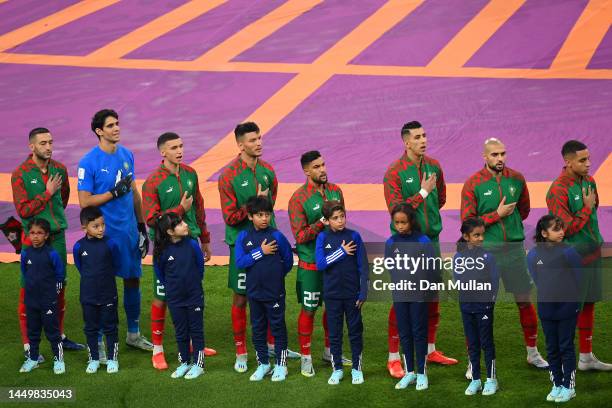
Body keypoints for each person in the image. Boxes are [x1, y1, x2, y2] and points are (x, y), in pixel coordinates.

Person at [461, 137, 548, 375]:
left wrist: (511, 227)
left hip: (515, 252)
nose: (500, 159)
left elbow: (524, 210)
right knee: (481, 306)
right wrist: (496, 215)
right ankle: (473, 361)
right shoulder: (473, 184)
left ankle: (533, 353)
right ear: (485, 157)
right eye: (494, 155)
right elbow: (467, 222)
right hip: (485, 253)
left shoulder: (517, 179)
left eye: (503, 154)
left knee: (524, 300)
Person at [218, 121, 298, 373]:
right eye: (253, 140)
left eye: (260, 138)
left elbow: (270, 205)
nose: (259, 143)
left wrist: (263, 204)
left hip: (269, 242)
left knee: (273, 294)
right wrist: (254, 206)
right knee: (242, 297)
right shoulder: (228, 176)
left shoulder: (268, 171)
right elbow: (230, 218)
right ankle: (241, 351)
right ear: (240, 145)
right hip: (242, 244)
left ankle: (273, 346)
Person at [383, 121, 456, 378]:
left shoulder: (434, 165)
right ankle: (393, 358)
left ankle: (429, 349)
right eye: (417, 137)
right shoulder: (394, 172)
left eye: (424, 135)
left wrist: (429, 203)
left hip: (432, 243)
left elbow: (442, 197)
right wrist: (423, 193)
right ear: (406, 142)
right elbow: (397, 211)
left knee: (432, 297)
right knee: (403, 299)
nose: (423, 140)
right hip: (406, 246)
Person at [77, 109, 152, 357]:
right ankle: (98, 340)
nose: (116, 128)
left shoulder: (126, 154)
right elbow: (85, 201)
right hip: (103, 236)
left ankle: (133, 334)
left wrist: (141, 226)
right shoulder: (88, 162)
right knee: (101, 286)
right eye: (110, 125)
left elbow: (135, 193)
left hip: (128, 231)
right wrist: (112, 194)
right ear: (99, 131)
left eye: (117, 123)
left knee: (133, 279)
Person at [142, 132, 216, 370]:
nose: (179, 151)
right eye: (173, 147)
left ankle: (195, 344)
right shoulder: (153, 182)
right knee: (163, 295)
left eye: (181, 146)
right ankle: (158, 349)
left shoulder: (190, 173)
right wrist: (180, 210)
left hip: (191, 240)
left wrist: (204, 238)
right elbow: (152, 220)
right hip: (166, 247)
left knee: (193, 290)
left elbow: (200, 207)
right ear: (163, 152)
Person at [11, 127, 84, 362]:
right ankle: (27, 345)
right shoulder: (20, 174)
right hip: (32, 240)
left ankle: (59, 335)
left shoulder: (59, 169)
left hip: (57, 239)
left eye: (50, 142)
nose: (49, 147)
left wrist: (53, 217)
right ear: (31, 146)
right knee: (28, 290)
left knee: (59, 287)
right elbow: (23, 210)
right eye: (43, 143)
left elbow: (62, 198)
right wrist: (46, 192)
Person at [546, 140, 611, 371]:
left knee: (589, 304)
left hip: (593, 253)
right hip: (573, 260)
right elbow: (564, 230)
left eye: (589, 159)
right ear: (568, 162)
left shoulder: (590, 181)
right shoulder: (557, 190)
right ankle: (564, 357)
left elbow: (594, 213)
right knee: (570, 308)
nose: (588, 164)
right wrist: (585, 208)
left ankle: (586, 357)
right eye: (582, 160)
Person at [288, 151, 349, 377]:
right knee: (309, 310)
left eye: (323, 164)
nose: (322, 169)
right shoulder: (298, 199)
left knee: (333, 309)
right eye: (316, 167)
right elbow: (300, 236)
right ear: (306, 171)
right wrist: (321, 223)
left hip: (335, 263)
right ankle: (305, 358)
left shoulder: (335, 191)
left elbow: (343, 222)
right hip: (312, 265)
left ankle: (330, 352)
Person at [235, 196, 293, 382]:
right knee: (258, 328)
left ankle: (281, 365)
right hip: (254, 292)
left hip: (274, 292)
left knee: (277, 327)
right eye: (260, 215)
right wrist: (261, 252)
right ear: (251, 216)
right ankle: (263, 363)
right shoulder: (243, 237)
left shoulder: (277, 236)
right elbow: (240, 262)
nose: (264, 218)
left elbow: (288, 261)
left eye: (267, 214)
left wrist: (275, 276)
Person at [528, 215, 583, 403]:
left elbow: (579, 279)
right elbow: (537, 280)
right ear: (544, 233)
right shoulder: (533, 255)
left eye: (562, 228)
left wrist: (574, 304)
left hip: (567, 308)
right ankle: (557, 384)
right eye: (556, 229)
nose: (561, 232)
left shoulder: (569, 253)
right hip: (546, 309)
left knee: (566, 347)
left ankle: (569, 387)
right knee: (552, 348)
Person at [315, 201, 368, 385]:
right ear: (327, 220)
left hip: (352, 294)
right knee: (335, 333)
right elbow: (320, 264)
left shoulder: (354, 236)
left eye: (342, 216)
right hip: (332, 294)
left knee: (355, 331)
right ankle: (337, 369)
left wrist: (363, 292)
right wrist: (342, 252)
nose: (340, 221)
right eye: (335, 218)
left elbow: (363, 266)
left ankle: (357, 368)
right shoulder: (322, 238)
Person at [386, 204, 435, 391]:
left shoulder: (423, 241)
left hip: (419, 295)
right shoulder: (391, 242)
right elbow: (391, 268)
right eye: (396, 222)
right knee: (405, 333)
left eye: (403, 222)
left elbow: (431, 269)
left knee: (418, 332)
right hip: (400, 295)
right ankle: (409, 372)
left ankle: (422, 374)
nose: (400, 226)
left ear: (411, 221)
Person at [153, 213, 206, 380]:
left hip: (194, 296)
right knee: (181, 331)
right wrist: (172, 289)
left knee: (196, 331)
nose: (185, 225)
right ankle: (185, 362)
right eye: (179, 223)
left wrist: (192, 286)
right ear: (170, 231)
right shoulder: (161, 252)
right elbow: (160, 274)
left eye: (183, 221)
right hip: (175, 298)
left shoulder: (192, 244)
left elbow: (200, 268)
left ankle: (199, 365)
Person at [454, 217, 499, 396]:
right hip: (467, 306)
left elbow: (494, 282)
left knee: (486, 343)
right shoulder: (458, 257)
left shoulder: (488, 257)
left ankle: (491, 379)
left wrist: (489, 302)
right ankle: (476, 380)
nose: (481, 238)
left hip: (484, 307)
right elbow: (459, 280)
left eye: (482, 235)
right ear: (466, 236)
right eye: (476, 235)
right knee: (472, 344)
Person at [73, 206, 121, 374]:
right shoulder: (78, 247)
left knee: (110, 327)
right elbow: (81, 268)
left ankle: (112, 359)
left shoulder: (111, 244)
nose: (101, 229)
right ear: (84, 228)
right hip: (88, 295)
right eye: (96, 226)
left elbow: (115, 265)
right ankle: (93, 358)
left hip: (108, 293)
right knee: (91, 328)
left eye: (103, 225)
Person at [19, 218, 66, 374]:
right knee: (33, 331)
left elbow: (60, 275)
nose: (35, 236)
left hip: (48, 301)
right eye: (32, 233)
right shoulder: (26, 253)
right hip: (32, 301)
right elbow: (25, 272)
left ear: (46, 235)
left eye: (39, 233)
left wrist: (53, 295)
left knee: (53, 332)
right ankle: (33, 359)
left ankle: (59, 360)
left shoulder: (52, 254)